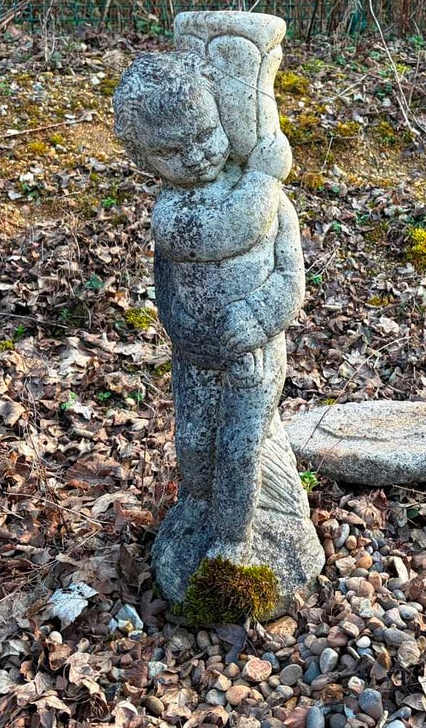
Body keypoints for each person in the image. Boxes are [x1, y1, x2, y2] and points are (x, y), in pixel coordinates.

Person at [113, 52, 305, 565]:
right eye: (173, 151)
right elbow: (223, 232)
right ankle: (196, 505)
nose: (196, 156)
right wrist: (265, 178)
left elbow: (290, 278)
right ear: (145, 160)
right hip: (194, 359)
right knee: (195, 446)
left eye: (204, 134)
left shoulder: (271, 205)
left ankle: (233, 539)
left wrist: (256, 320)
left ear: (221, 118)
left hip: (252, 355)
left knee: (240, 450)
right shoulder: (173, 212)